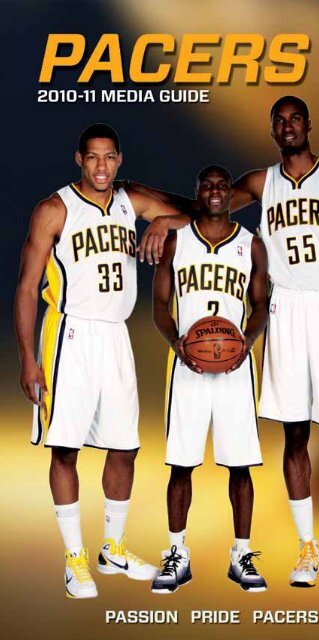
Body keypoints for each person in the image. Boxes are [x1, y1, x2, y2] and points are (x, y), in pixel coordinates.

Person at [136, 97, 319, 595]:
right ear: (272, 130)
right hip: (283, 313)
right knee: (295, 435)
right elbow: (207, 209)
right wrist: (162, 218)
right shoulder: (262, 183)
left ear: (308, 124)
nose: (286, 127)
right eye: (278, 121)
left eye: (294, 118)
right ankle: (309, 549)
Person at [15, 123, 185, 599]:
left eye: (110, 157)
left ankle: (112, 546)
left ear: (120, 159)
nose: (102, 166)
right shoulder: (54, 209)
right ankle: (74, 558)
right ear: (79, 160)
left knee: (125, 445)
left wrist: (163, 222)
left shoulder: (132, 202)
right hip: (70, 334)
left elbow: (203, 214)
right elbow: (27, 288)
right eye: (93, 158)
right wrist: (28, 359)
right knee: (64, 447)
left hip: (115, 335)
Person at [151, 165, 268, 594]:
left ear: (229, 193)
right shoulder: (178, 242)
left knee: (241, 464)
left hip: (236, 369)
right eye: (207, 186)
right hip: (187, 366)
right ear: (197, 192)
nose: (215, 192)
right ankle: (177, 555)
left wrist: (247, 342)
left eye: (222, 186)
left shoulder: (251, 245)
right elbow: (160, 304)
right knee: (181, 464)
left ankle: (241, 556)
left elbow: (260, 305)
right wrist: (176, 343)